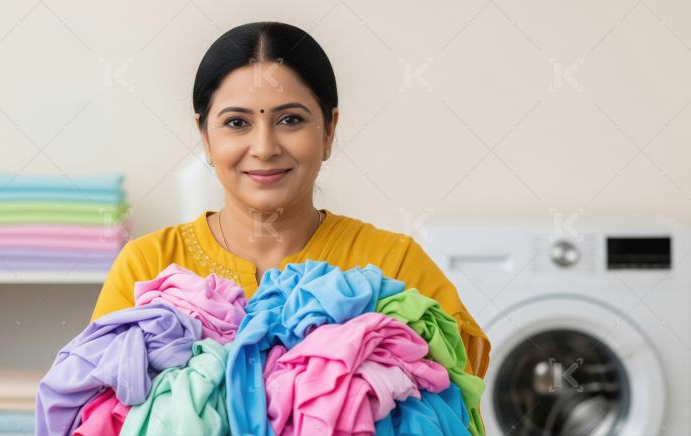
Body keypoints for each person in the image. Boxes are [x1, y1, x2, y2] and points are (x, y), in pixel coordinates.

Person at [90, 21, 490, 380]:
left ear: (329, 130)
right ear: (205, 137)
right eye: (237, 123)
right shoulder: (147, 267)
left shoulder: (395, 264)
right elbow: (101, 409)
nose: (264, 147)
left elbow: (450, 406)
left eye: (290, 120)